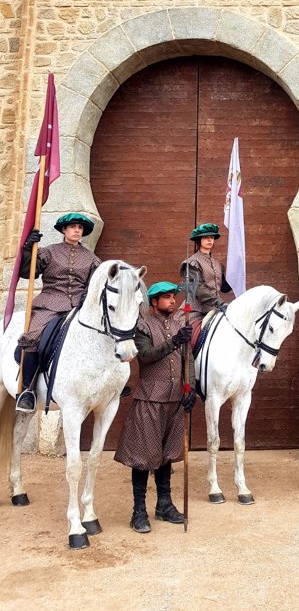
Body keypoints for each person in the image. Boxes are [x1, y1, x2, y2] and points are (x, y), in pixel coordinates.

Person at [114, 281, 195, 532]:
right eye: (167, 298)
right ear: (154, 302)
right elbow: (146, 357)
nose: (173, 301)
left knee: (168, 455)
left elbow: (187, 360)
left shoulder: (181, 324)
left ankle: (164, 505)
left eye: (173, 297)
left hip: (175, 400)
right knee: (143, 457)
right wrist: (174, 342)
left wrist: (189, 387)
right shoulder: (142, 326)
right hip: (150, 399)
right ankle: (138, 511)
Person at [15, 212, 101, 412]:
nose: (77, 230)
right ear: (64, 230)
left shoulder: (92, 258)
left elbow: (95, 286)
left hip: (78, 308)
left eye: (80, 228)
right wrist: (29, 248)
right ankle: (28, 391)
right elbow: (27, 272)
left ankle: (109, 384)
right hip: (49, 304)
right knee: (34, 336)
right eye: (73, 227)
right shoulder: (49, 252)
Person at [180, 222, 232, 330]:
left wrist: (236, 276)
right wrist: (219, 303)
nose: (209, 240)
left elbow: (224, 288)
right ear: (199, 240)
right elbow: (199, 288)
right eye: (206, 237)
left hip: (217, 307)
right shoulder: (192, 263)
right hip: (197, 309)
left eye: (212, 237)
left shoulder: (217, 263)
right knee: (189, 336)